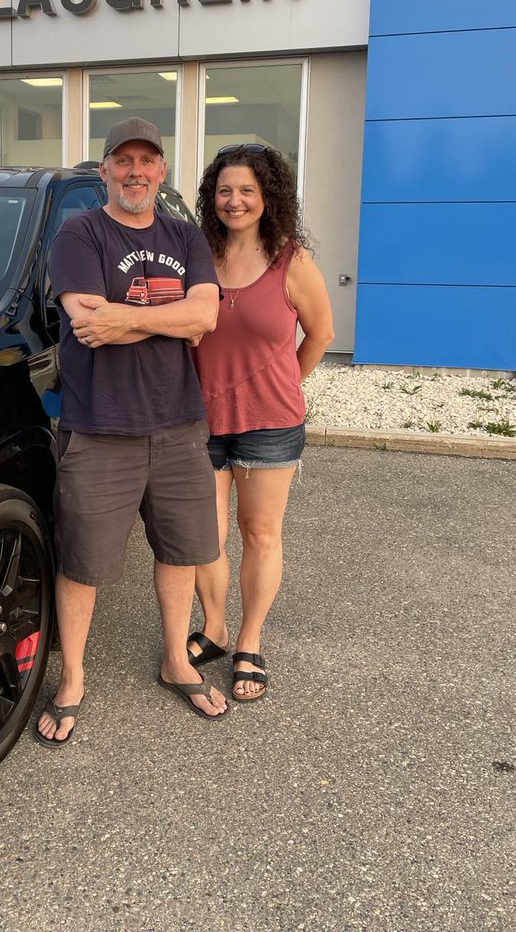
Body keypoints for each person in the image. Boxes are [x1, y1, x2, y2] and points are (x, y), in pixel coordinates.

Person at [35, 117, 227, 745]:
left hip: (179, 424)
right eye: (124, 160)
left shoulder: (185, 235)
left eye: (147, 161)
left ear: (162, 171)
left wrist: (130, 318)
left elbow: (207, 316)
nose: (135, 172)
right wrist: (175, 318)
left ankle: (176, 660)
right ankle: (73, 678)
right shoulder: (80, 232)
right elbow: (86, 322)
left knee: (181, 552)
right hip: (100, 427)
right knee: (83, 561)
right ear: (105, 171)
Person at [188, 144, 334, 702]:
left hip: (268, 424)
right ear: (212, 197)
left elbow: (321, 333)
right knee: (204, 536)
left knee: (260, 533)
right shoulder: (198, 254)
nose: (235, 201)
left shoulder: (291, 261)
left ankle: (250, 639)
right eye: (225, 190)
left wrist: (284, 382)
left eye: (247, 190)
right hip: (200, 420)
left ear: (268, 196)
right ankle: (215, 627)